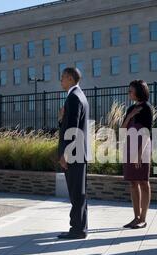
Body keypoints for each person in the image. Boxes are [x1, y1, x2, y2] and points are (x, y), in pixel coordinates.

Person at [57, 67, 91, 240]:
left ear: (70, 78)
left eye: (62, 77)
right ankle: (80, 227)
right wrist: (61, 119)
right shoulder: (80, 96)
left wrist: (66, 154)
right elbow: (70, 124)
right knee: (79, 192)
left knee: (76, 193)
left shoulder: (74, 97)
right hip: (79, 153)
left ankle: (77, 229)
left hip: (74, 154)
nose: (60, 80)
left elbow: (73, 129)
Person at [121, 80, 153, 229]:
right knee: (133, 182)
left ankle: (143, 218)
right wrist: (130, 115)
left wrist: (140, 154)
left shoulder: (147, 108)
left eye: (131, 91)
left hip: (142, 147)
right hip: (129, 146)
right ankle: (135, 217)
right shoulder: (131, 108)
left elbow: (147, 133)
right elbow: (122, 129)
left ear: (139, 92)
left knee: (143, 182)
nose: (129, 93)